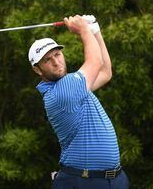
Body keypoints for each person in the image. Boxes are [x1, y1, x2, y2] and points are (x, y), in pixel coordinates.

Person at [28, 15, 129, 189]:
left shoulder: (73, 83)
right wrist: (83, 30)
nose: (56, 61)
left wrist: (95, 31)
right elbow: (95, 62)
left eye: (57, 54)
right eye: (47, 60)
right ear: (37, 69)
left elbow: (105, 72)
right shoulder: (63, 90)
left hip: (113, 180)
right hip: (84, 182)